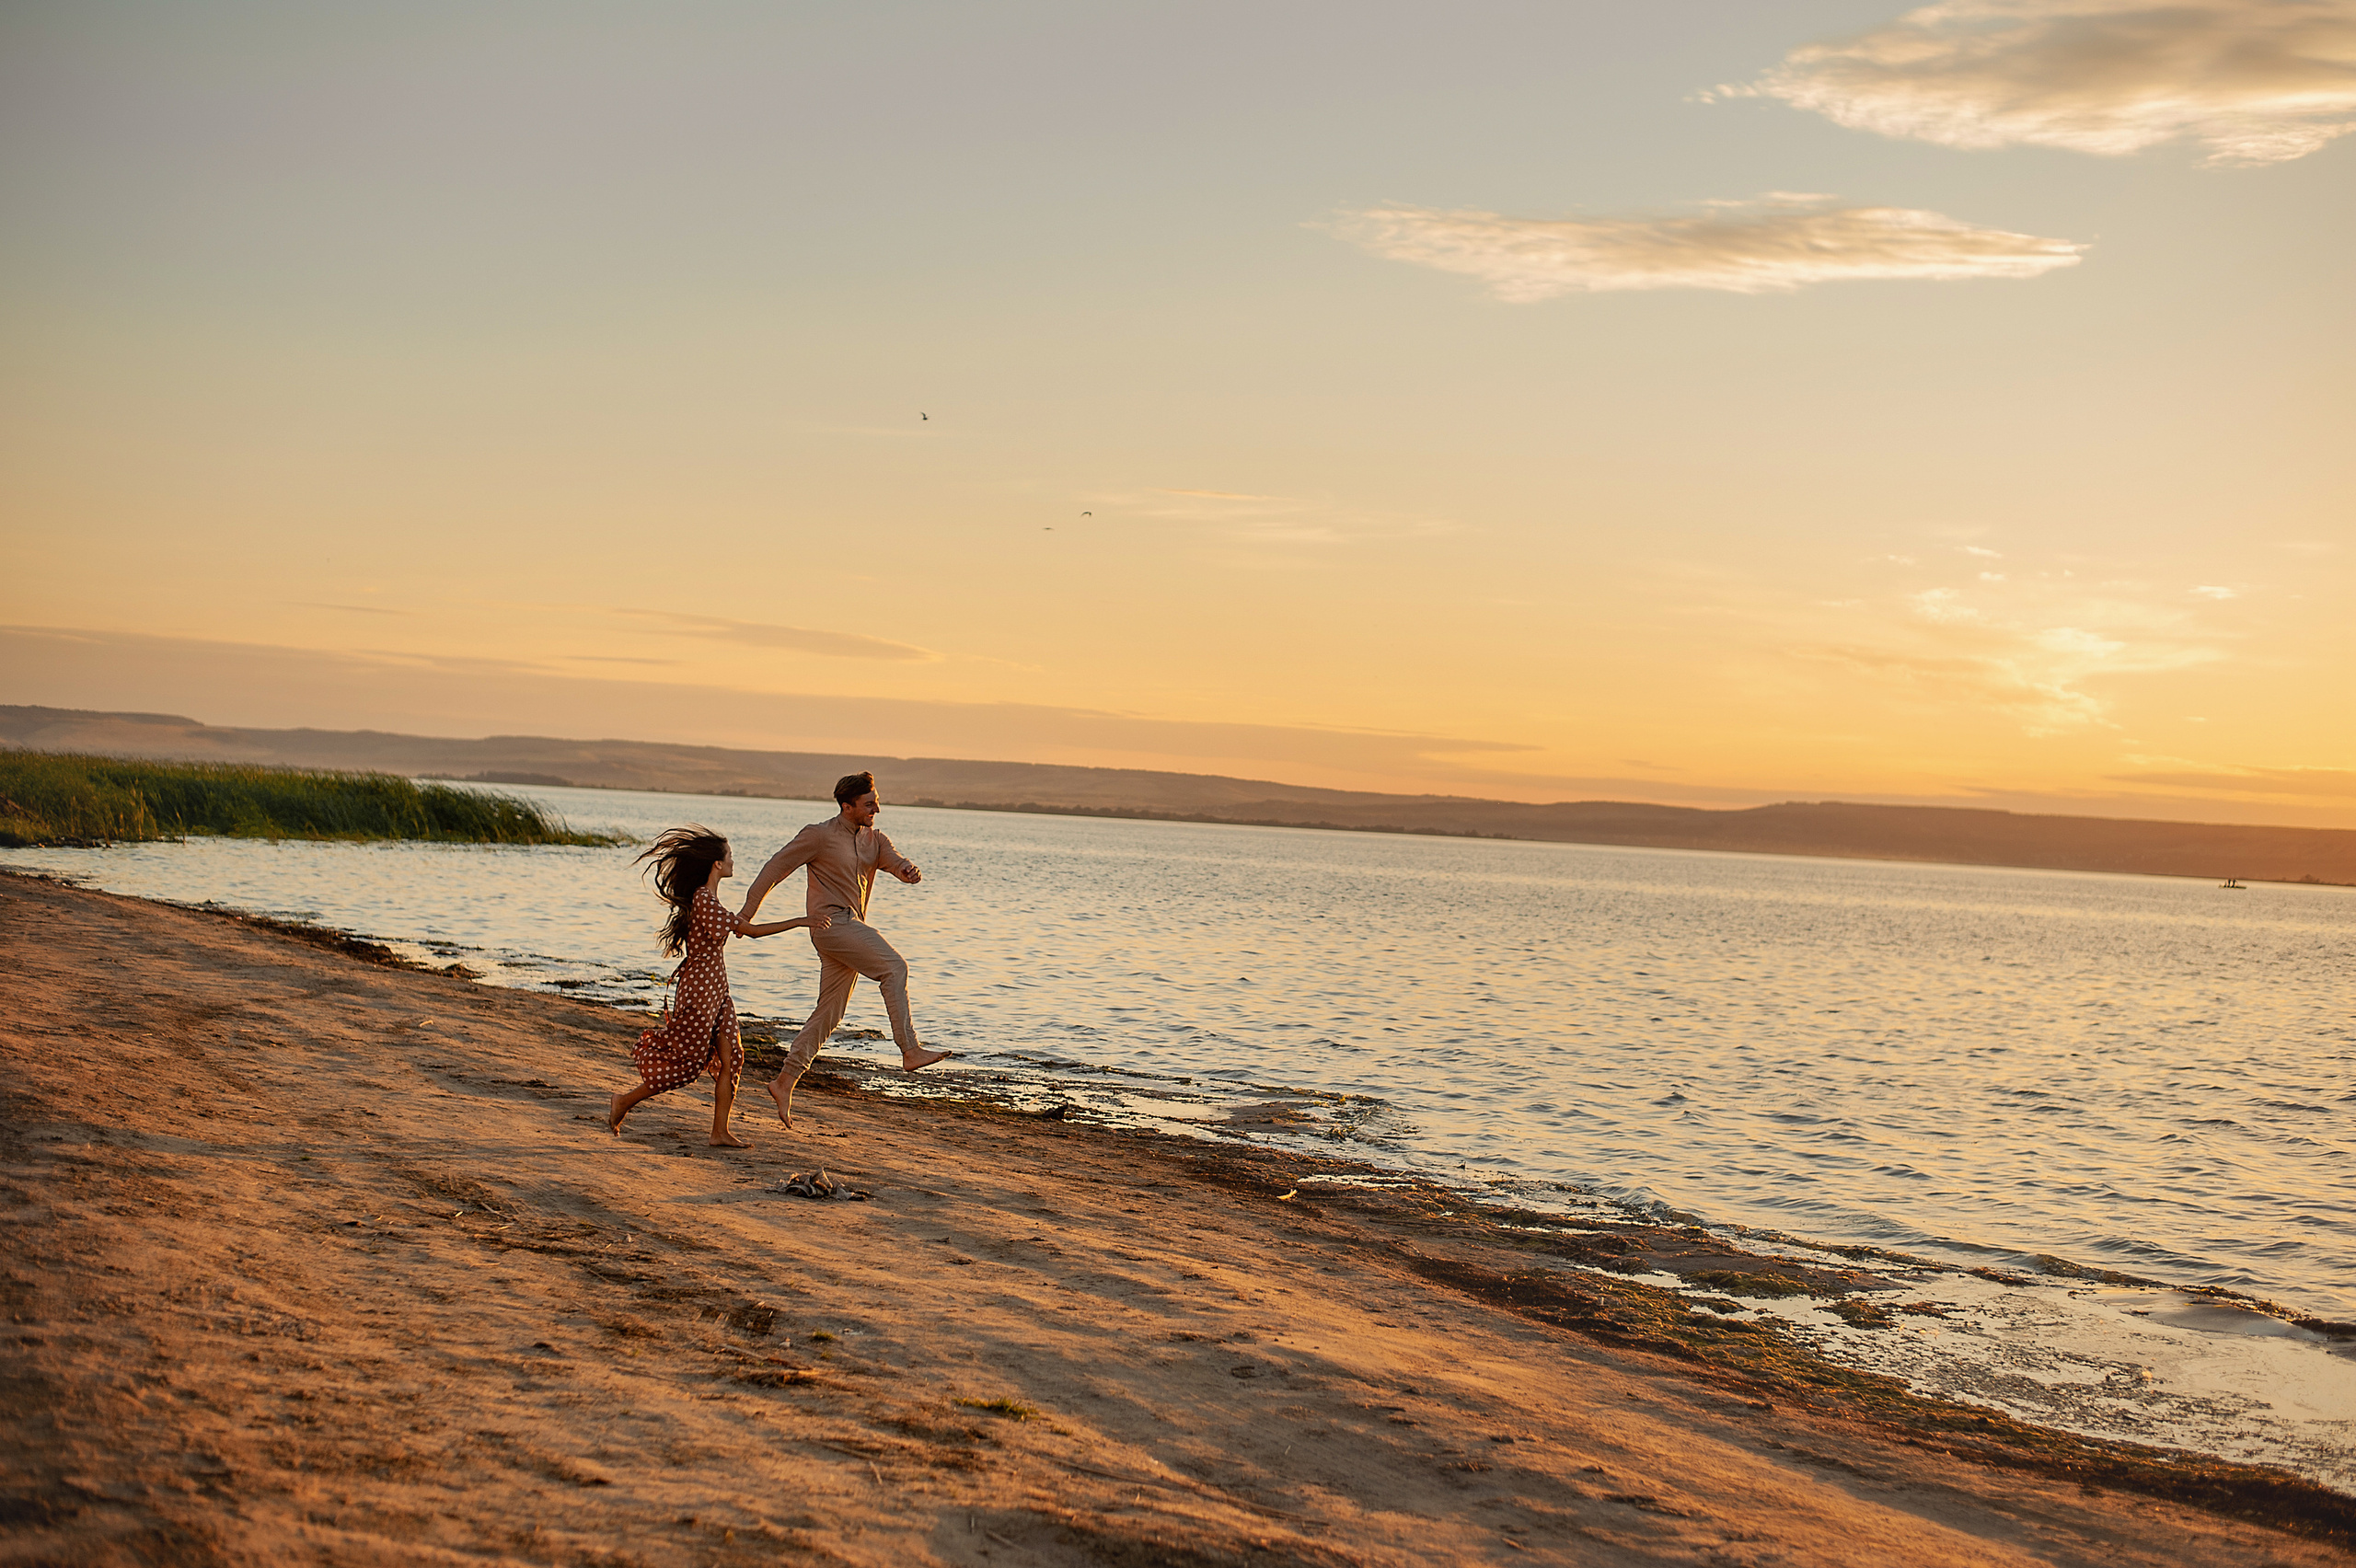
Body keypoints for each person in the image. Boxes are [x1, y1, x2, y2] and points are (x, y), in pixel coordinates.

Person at [738, 771, 949, 1130]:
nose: (877, 809)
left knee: (829, 1013)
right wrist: (746, 915)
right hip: (831, 925)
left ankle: (784, 1081)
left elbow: (895, 862)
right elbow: (774, 868)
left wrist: (907, 871)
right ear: (847, 806)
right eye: (869, 804)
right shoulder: (818, 836)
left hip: (852, 929)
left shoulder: (875, 839)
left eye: (876, 801)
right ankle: (909, 1049)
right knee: (894, 968)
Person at [607, 825, 825, 1146]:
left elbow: (737, 925)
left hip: (717, 990)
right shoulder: (703, 899)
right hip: (698, 993)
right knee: (686, 1066)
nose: (734, 861)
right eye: (730, 857)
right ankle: (623, 1101)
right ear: (717, 865)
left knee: (732, 1058)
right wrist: (801, 921)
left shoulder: (710, 900)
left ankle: (719, 1132)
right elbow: (749, 931)